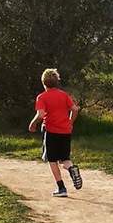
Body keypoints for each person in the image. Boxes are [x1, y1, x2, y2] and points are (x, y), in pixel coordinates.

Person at [28, 68, 83, 197]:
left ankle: (61, 188)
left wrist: (33, 123)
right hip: (66, 131)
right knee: (65, 159)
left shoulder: (42, 97)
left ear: (43, 83)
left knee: (52, 160)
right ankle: (71, 168)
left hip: (51, 131)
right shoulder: (64, 95)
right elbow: (75, 109)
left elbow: (41, 114)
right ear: (57, 81)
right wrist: (70, 122)